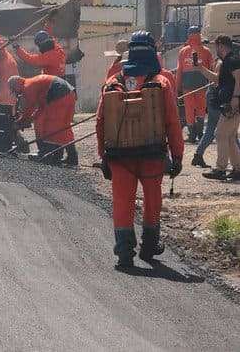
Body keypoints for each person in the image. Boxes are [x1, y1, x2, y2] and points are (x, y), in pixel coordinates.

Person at [96, 31, 183, 268]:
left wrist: (104, 156)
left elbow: (100, 121)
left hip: (119, 157)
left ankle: (125, 251)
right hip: (152, 155)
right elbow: (173, 122)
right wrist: (177, 155)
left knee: (122, 201)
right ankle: (149, 246)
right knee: (152, 200)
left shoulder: (113, 83)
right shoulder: (162, 82)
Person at [194, 35, 240, 181]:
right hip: (230, 103)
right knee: (230, 137)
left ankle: (220, 169)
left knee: (220, 134)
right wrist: (200, 68)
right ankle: (238, 168)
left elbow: (239, 79)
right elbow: (217, 79)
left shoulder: (231, 60)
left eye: (216, 46)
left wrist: (235, 98)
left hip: (232, 104)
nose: (215, 49)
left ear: (221, 45)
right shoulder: (227, 61)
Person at [9, 73, 78, 165]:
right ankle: (72, 157)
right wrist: (33, 117)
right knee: (63, 127)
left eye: (14, 90)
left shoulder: (27, 87)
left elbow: (30, 107)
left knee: (50, 126)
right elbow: (41, 107)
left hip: (59, 96)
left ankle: (51, 156)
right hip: (69, 94)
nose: (16, 93)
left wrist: (20, 121)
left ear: (16, 84)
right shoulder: (34, 83)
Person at [175, 26, 213, 143]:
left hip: (187, 86)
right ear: (199, 35)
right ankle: (200, 134)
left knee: (189, 110)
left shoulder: (183, 51)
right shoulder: (206, 51)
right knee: (201, 109)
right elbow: (211, 69)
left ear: (188, 36)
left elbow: (179, 71)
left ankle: (192, 135)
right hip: (202, 85)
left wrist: (177, 88)